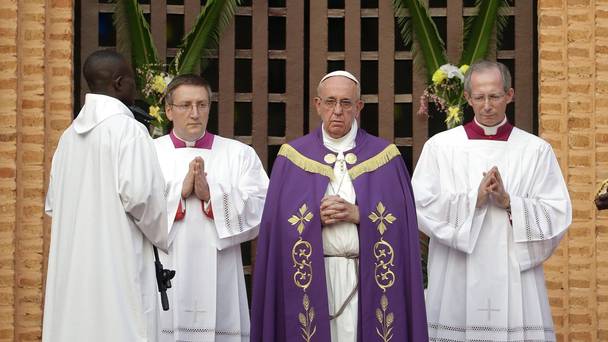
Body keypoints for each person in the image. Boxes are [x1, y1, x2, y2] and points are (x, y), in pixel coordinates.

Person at [250, 70, 428, 342]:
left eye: (346, 103)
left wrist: (360, 214)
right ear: (317, 105)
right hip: (313, 276)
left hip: (367, 277)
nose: (337, 111)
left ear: (359, 107)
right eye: (330, 102)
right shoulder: (292, 158)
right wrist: (312, 218)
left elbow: (404, 227)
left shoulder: (385, 157)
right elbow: (275, 229)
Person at [411, 60, 572, 341]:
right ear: (467, 98)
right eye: (480, 97)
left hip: (514, 273)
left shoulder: (535, 150)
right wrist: (475, 199)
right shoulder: (441, 148)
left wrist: (510, 203)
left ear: (509, 95)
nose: (487, 105)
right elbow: (420, 204)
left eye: (495, 96)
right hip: (456, 271)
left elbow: (556, 212)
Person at [43, 50, 168, 341]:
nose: (135, 88)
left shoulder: (68, 138)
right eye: (133, 81)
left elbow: (53, 207)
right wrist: (165, 226)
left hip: (73, 272)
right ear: (119, 83)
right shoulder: (129, 131)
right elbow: (141, 199)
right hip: (117, 264)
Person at [153, 74, 269, 342]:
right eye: (185, 105)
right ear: (169, 110)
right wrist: (179, 194)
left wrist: (212, 197)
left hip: (220, 271)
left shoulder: (238, 154)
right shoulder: (149, 153)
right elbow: (134, 208)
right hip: (166, 267)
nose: (195, 113)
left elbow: (262, 207)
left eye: (202, 105)